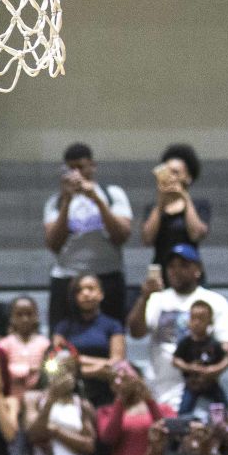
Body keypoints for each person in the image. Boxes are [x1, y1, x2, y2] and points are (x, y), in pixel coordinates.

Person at [129, 243, 228, 408]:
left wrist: (208, 371)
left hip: (201, 389)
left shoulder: (215, 301)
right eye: (171, 266)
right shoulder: (157, 300)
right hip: (161, 389)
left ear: (198, 269)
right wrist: (144, 297)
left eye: (184, 265)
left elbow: (226, 347)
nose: (176, 271)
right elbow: (135, 332)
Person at [44, 142, 133, 326]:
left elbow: (122, 235)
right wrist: (67, 200)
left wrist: (97, 200)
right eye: (71, 169)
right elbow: (53, 244)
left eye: (81, 167)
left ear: (92, 166)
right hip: (67, 278)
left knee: (113, 334)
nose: (76, 173)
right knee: (61, 338)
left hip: (107, 276)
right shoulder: (56, 202)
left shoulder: (112, 194)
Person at [24, 362, 99, 455]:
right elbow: (33, 434)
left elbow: (89, 445)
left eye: (68, 369)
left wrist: (56, 431)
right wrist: (51, 399)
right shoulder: (33, 398)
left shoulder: (82, 404)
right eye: (59, 368)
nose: (63, 374)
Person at [52, 271, 128, 406]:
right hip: (71, 389)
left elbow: (117, 361)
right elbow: (59, 360)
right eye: (80, 290)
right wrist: (99, 370)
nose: (85, 293)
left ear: (101, 294)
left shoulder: (113, 325)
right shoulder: (63, 327)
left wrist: (78, 360)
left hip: (107, 389)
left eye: (91, 289)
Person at [142, 144, 212, 268]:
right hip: (161, 270)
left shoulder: (200, 205)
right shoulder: (154, 208)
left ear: (188, 177)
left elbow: (196, 234)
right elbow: (147, 239)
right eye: (167, 172)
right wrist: (160, 201)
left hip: (190, 270)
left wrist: (184, 196)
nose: (170, 177)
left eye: (175, 172)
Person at [0, 294, 51, 390]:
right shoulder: (4, 344)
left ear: (36, 316)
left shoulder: (45, 343)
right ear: (11, 318)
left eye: (29, 314)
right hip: (10, 395)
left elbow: (47, 371)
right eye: (19, 314)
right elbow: (1, 370)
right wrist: (29, 370)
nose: (25, 319)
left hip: (39, 393)